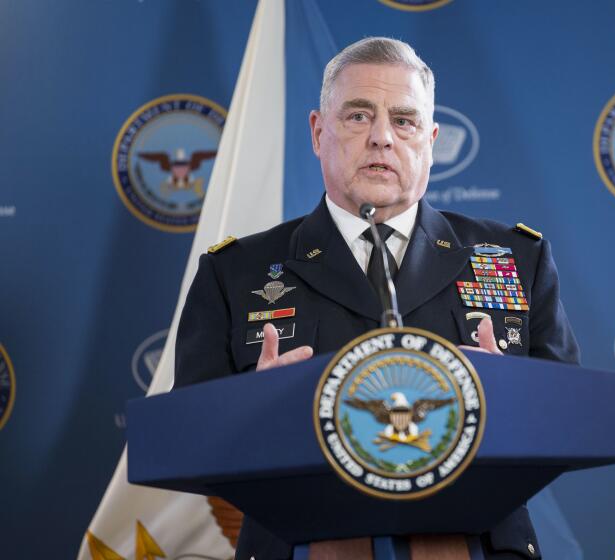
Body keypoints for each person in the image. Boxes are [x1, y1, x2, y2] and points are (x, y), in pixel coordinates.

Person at [175, 37, 579, 560]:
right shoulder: (234, 272)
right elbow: (188, 439)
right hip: (302, 546)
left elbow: (573, 418)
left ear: (430, 140)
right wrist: (251, 415)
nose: (382, 139)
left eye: (404, 121)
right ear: (319, 133)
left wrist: (515, 398)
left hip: (474, 546)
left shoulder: (515, 258)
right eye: (358, 116)